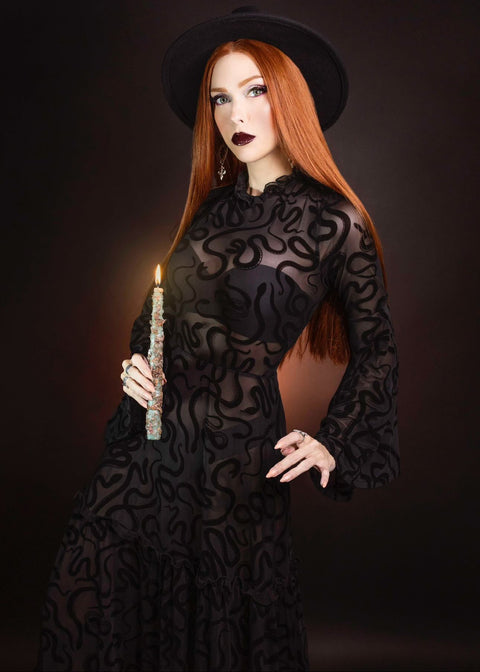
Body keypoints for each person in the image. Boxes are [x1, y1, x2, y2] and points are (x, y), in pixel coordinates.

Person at [36, 7, 399, 671]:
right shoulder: (210, 209)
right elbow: (159, 312)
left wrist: (337, 440)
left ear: (289, 97)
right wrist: (139, 368)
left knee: (217, 628)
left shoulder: (335, 222)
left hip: (238, 460)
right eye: (220, 98)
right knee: (86, 589)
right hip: (152, 448)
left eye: (255, 90)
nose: (237, 114)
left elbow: (377, 348)